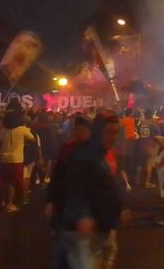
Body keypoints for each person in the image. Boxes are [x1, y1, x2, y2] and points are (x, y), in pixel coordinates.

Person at [47, 115, 124, 269]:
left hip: (101, 227)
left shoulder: (102, 153)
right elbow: (74, 186)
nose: (112, 137)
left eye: (115, 132)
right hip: (82, 230)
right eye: (108, 132)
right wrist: (83, 215)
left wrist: (121, 207)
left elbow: (107, 184)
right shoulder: (82, 154)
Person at [0, 98, 35, 213]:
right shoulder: (22, 129)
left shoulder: (4, 129)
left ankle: (3, 201)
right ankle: (10, 204)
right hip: (16, 159)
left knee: (5, 182)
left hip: (4, 158)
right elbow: (32, 139)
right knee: (13, 183)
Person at [135, 109, 159, 188]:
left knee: (139, 164)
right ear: (152, 116)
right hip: (150, 147)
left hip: (140, 146)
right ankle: (147, 182)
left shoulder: (141, 124)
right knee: (149, 165)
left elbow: (137, 134)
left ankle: (137, 181)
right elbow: (158, 136)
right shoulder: (153, 125)